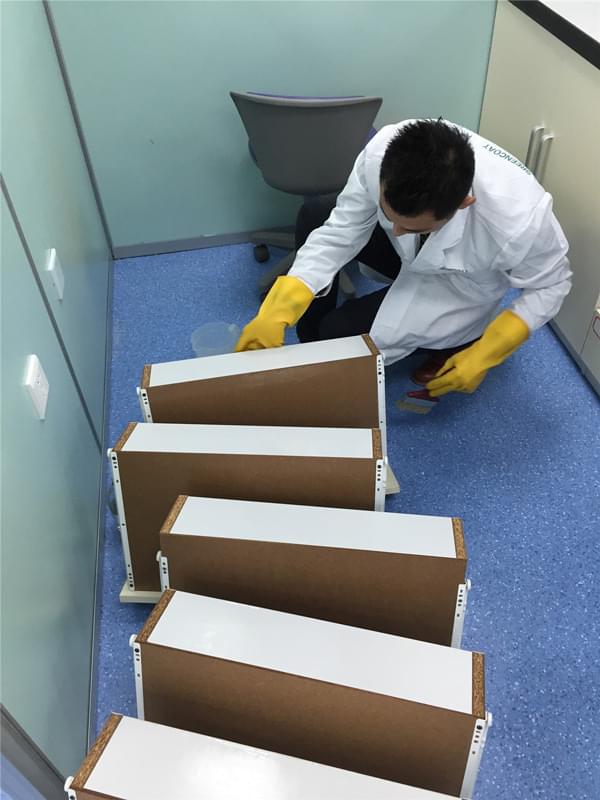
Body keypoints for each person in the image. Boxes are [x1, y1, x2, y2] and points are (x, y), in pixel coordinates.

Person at [236, 119, 571, 396]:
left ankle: (460, 340)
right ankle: (309, 347)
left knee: (337, 333)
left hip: (460, 283)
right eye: (389, 214)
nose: (395, 231)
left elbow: (552, 286)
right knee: (316, 213)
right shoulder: (384, 152)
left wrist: (491, 350)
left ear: (462, 205)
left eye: (410, 226)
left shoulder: (519, 219)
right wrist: (281, 305)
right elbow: (342, 229)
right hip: (414, 253)